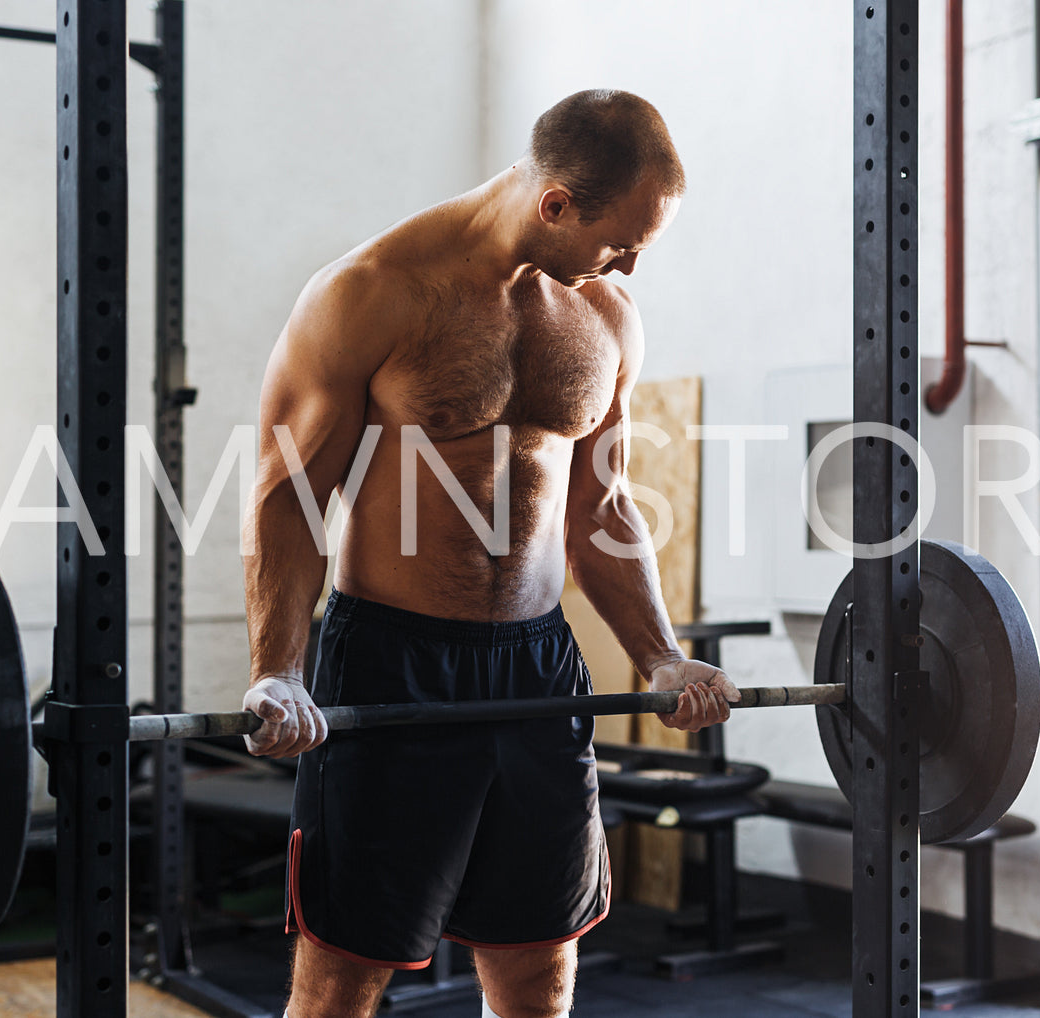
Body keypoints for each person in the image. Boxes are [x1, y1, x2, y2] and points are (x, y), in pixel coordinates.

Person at [240, 89, 739, 1018]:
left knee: (537, 963)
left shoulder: (606, 314)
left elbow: (603, 505)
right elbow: (287, 498)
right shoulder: (371, 292)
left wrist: (660, 653)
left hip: (537, 670)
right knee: (347, 970)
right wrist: (279, 671)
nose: (628, 265)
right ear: (555, 204)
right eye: (619, 241)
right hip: (392, 666)